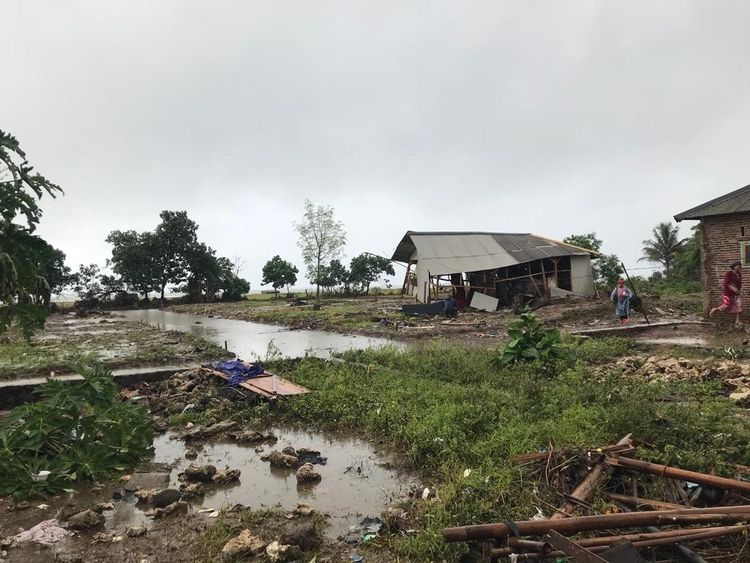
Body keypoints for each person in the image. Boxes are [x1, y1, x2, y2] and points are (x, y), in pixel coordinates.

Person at [710, 261, 743, 325]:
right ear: (734, 267)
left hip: (736, 294)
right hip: (728, 293)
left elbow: (739, 284)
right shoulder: (729, 273)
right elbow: (726, 283)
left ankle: (737, 320)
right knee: (725, 306)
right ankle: (714, 309)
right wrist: (734, 289)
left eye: (740, 266)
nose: (739, 268)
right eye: (738, 266)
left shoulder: (739, 274)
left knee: (739, 305)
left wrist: (738, 290)